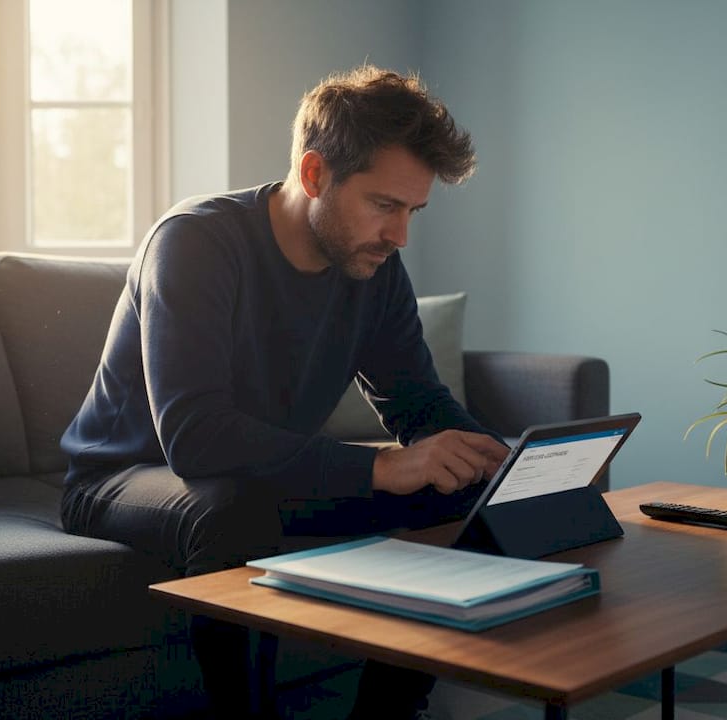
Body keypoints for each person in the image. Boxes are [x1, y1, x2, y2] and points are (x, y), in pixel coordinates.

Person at [60, 64, 510, 719]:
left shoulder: (374, 268)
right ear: (313, 174)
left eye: (413, 211)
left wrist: (499, 462)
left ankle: (386, 714)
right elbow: (195, 436)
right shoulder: (194, 243)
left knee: (458, 487)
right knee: (232, 510)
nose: (400, 235)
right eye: (385, 205)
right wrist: (383, 465)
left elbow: (416, 404)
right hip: (123, 474)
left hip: (257, 473)